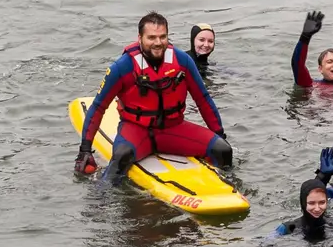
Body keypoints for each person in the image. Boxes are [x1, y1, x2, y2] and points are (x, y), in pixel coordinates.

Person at [76, 12, 230, 179]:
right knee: (122, 156)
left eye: (162, 37)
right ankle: (100, 200)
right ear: (140, 38)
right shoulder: (123, 67)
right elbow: (99, 107)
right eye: (151, 37)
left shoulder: (182, 61)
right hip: (136, 131)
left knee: (223, 150)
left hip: (173, 128)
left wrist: (219, 134)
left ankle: (228, 187)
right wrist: (85, 150)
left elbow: (203, 99)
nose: (158, 43)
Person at [289, 10, 333, 87]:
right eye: (329, 62)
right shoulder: (312, 85)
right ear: (320, 69)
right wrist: (305, 36)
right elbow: (297, 64)